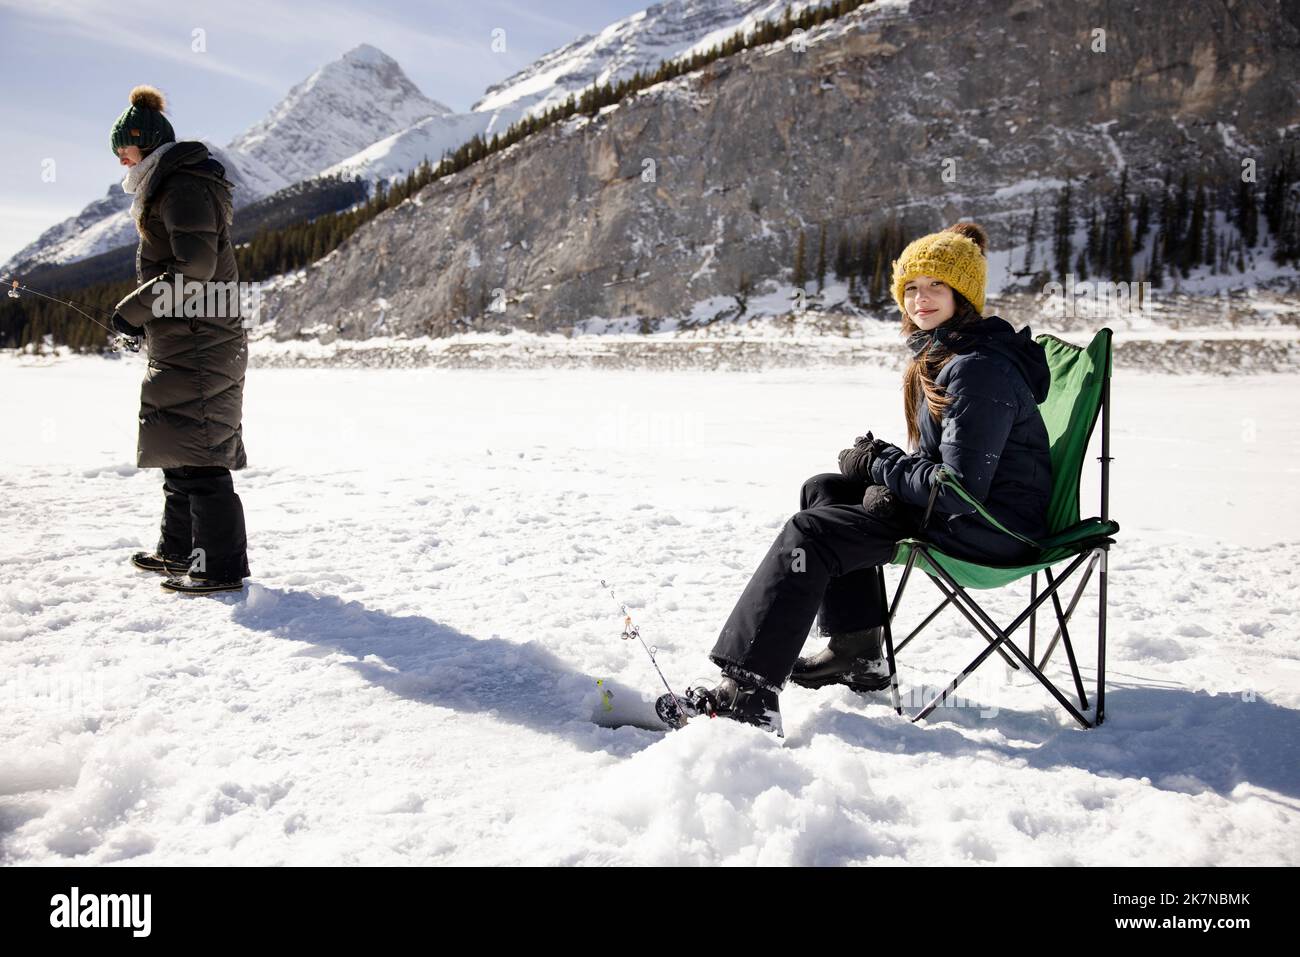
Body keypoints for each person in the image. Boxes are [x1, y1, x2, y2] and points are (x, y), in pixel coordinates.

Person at [659, 222, 1053, 736]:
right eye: (911, 288)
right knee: (824, 489)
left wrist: (879, 463)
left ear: (964, 294)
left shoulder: (979, 369)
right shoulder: (947, 355)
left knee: (811, 532)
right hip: (974, 513)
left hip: (991, 529)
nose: (920, 298)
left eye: (936, 286)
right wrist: (883, 477)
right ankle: (858, 652)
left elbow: (957, 489)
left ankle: (748, 693)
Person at [108, 85, 250, 595]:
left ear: (145, 145)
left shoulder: (184, 186)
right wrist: (147, 322)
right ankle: (178, 550)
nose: (120, 159)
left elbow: (194, 267)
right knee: (179, 446)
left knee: (202, 457)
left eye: (124, 149)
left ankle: (220, 567)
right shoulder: (170, 185)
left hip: (202, 339)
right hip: (185, 336)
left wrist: (131, 313)